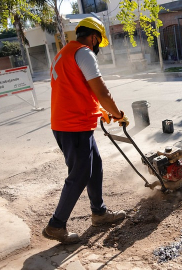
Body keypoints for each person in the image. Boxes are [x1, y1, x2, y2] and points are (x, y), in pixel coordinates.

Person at [42, 17, 130, 244]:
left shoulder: (65, 53)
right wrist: (118, 114)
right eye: (98, 42)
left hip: (69, 123)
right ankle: (56, 225)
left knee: (95, 166)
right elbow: (102, 92)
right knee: (79, 174)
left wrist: (99, 110)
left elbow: (76, 89)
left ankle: (99, 213)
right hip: (74, 126)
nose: (97, 47)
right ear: (94, 37)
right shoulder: (84, 53)